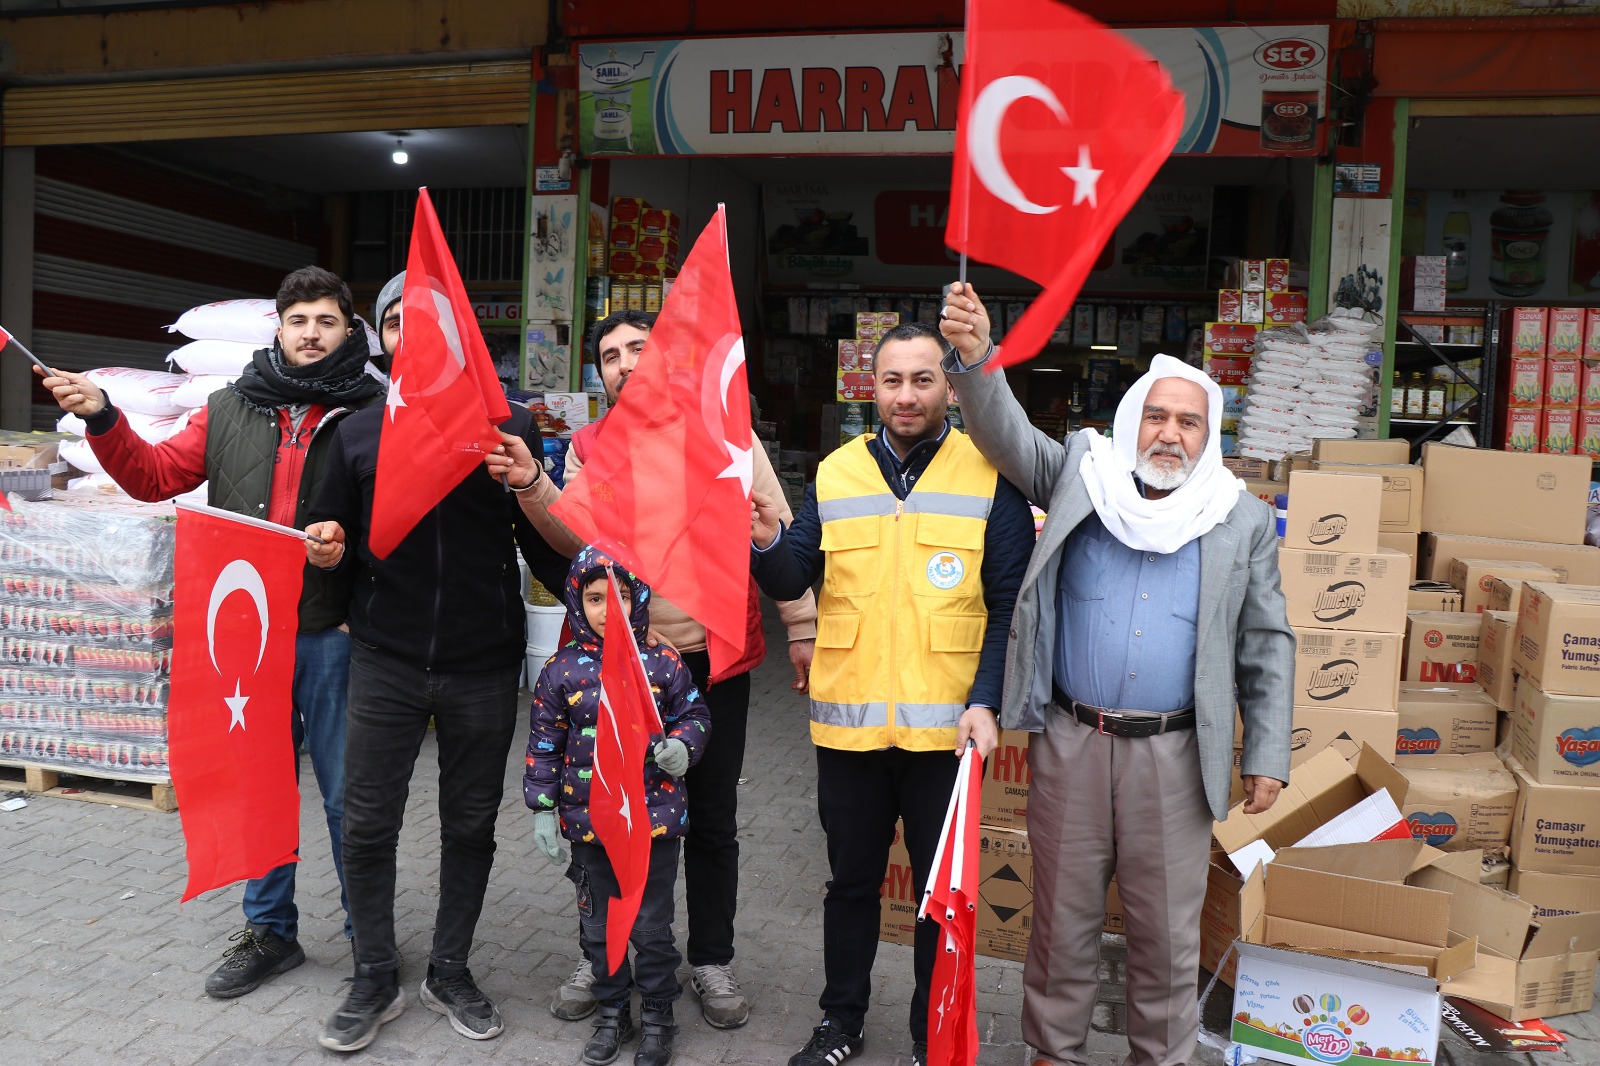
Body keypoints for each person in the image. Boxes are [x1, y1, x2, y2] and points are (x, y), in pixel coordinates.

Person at [938, 282, 1293, 1066]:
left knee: (1166, 933)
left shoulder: (1239, 518)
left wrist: (1267, 753)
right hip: (1072, 740)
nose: (1170, 434)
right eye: (1157, 417)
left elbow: (1267, 639)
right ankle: (1051, 1053)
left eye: (1189, 421)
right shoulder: (1082, 479)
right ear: (1134, 421)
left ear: (1210, 435)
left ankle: (1158, 1058)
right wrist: (976, 358)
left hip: (1175, 759)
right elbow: (1006, 437)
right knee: (1060, 919)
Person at [38, 266, 382, 999]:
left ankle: (369, 940)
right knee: (256, 786)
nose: (312, 334)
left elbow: (402, 523)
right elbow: (154, 476)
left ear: (349, 331)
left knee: (350, 797)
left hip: (335, 634)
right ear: (279, 330)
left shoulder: (374, 413)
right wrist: (103, 418)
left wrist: (351, 549)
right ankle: (270, 933)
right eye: (299, 321)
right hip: (250, 641)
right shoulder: (229, 408)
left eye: (327, 321)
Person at [498, 307, 817, 1029]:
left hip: (711, 665)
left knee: (710, 821)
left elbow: (776, 537)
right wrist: (531, 487)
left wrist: (803, 625)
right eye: (609, 355)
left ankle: (709, 960)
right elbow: (574, 534)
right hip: (622, 668)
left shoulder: (729, 438)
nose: (624, 363)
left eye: (638, 349)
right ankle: (603, 953)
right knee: (606, 815)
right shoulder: (589, 447)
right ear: (599, 373)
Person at [747, 320, 1033, 1066]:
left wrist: (987, 699)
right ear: (869, 388)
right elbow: (789, 578)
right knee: (850, 885)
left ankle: (928, 1033)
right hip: (850, 733)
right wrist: (765, 539)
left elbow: (1008, 604)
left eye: (923, 380)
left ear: (950, 387)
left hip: (948, 732)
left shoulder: (988, 470)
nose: (906, 396)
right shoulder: (837, 472)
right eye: (892, 381)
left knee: (940, 897)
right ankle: (840, 1023)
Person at [304, 271, 569, 1053]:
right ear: (378, 337)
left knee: (470, 823)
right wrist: (326, 551)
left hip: (483, 661)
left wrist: (530, 484)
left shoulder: (506, 424)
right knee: (366, 822)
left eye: (426, 324)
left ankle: (450, 969)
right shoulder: (353, 432)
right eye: (394, 325)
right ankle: (374, 972)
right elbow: (327, 539)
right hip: (383, 658)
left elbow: (551, 552)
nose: (408, 339)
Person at [525, 546, 711, 1066]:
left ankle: (657, 1015)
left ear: (639, 599)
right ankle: (612, 1012)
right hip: (589, 827)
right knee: (599, 927)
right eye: (596, 597)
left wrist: (683, 745)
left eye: (622, 596)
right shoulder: (561, 670)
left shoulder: (662, 660)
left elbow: (693, 714)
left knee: (651, 927)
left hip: (652, 822)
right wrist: (542, 808)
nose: (610, 609)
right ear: (576, 601)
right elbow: (544, 743)